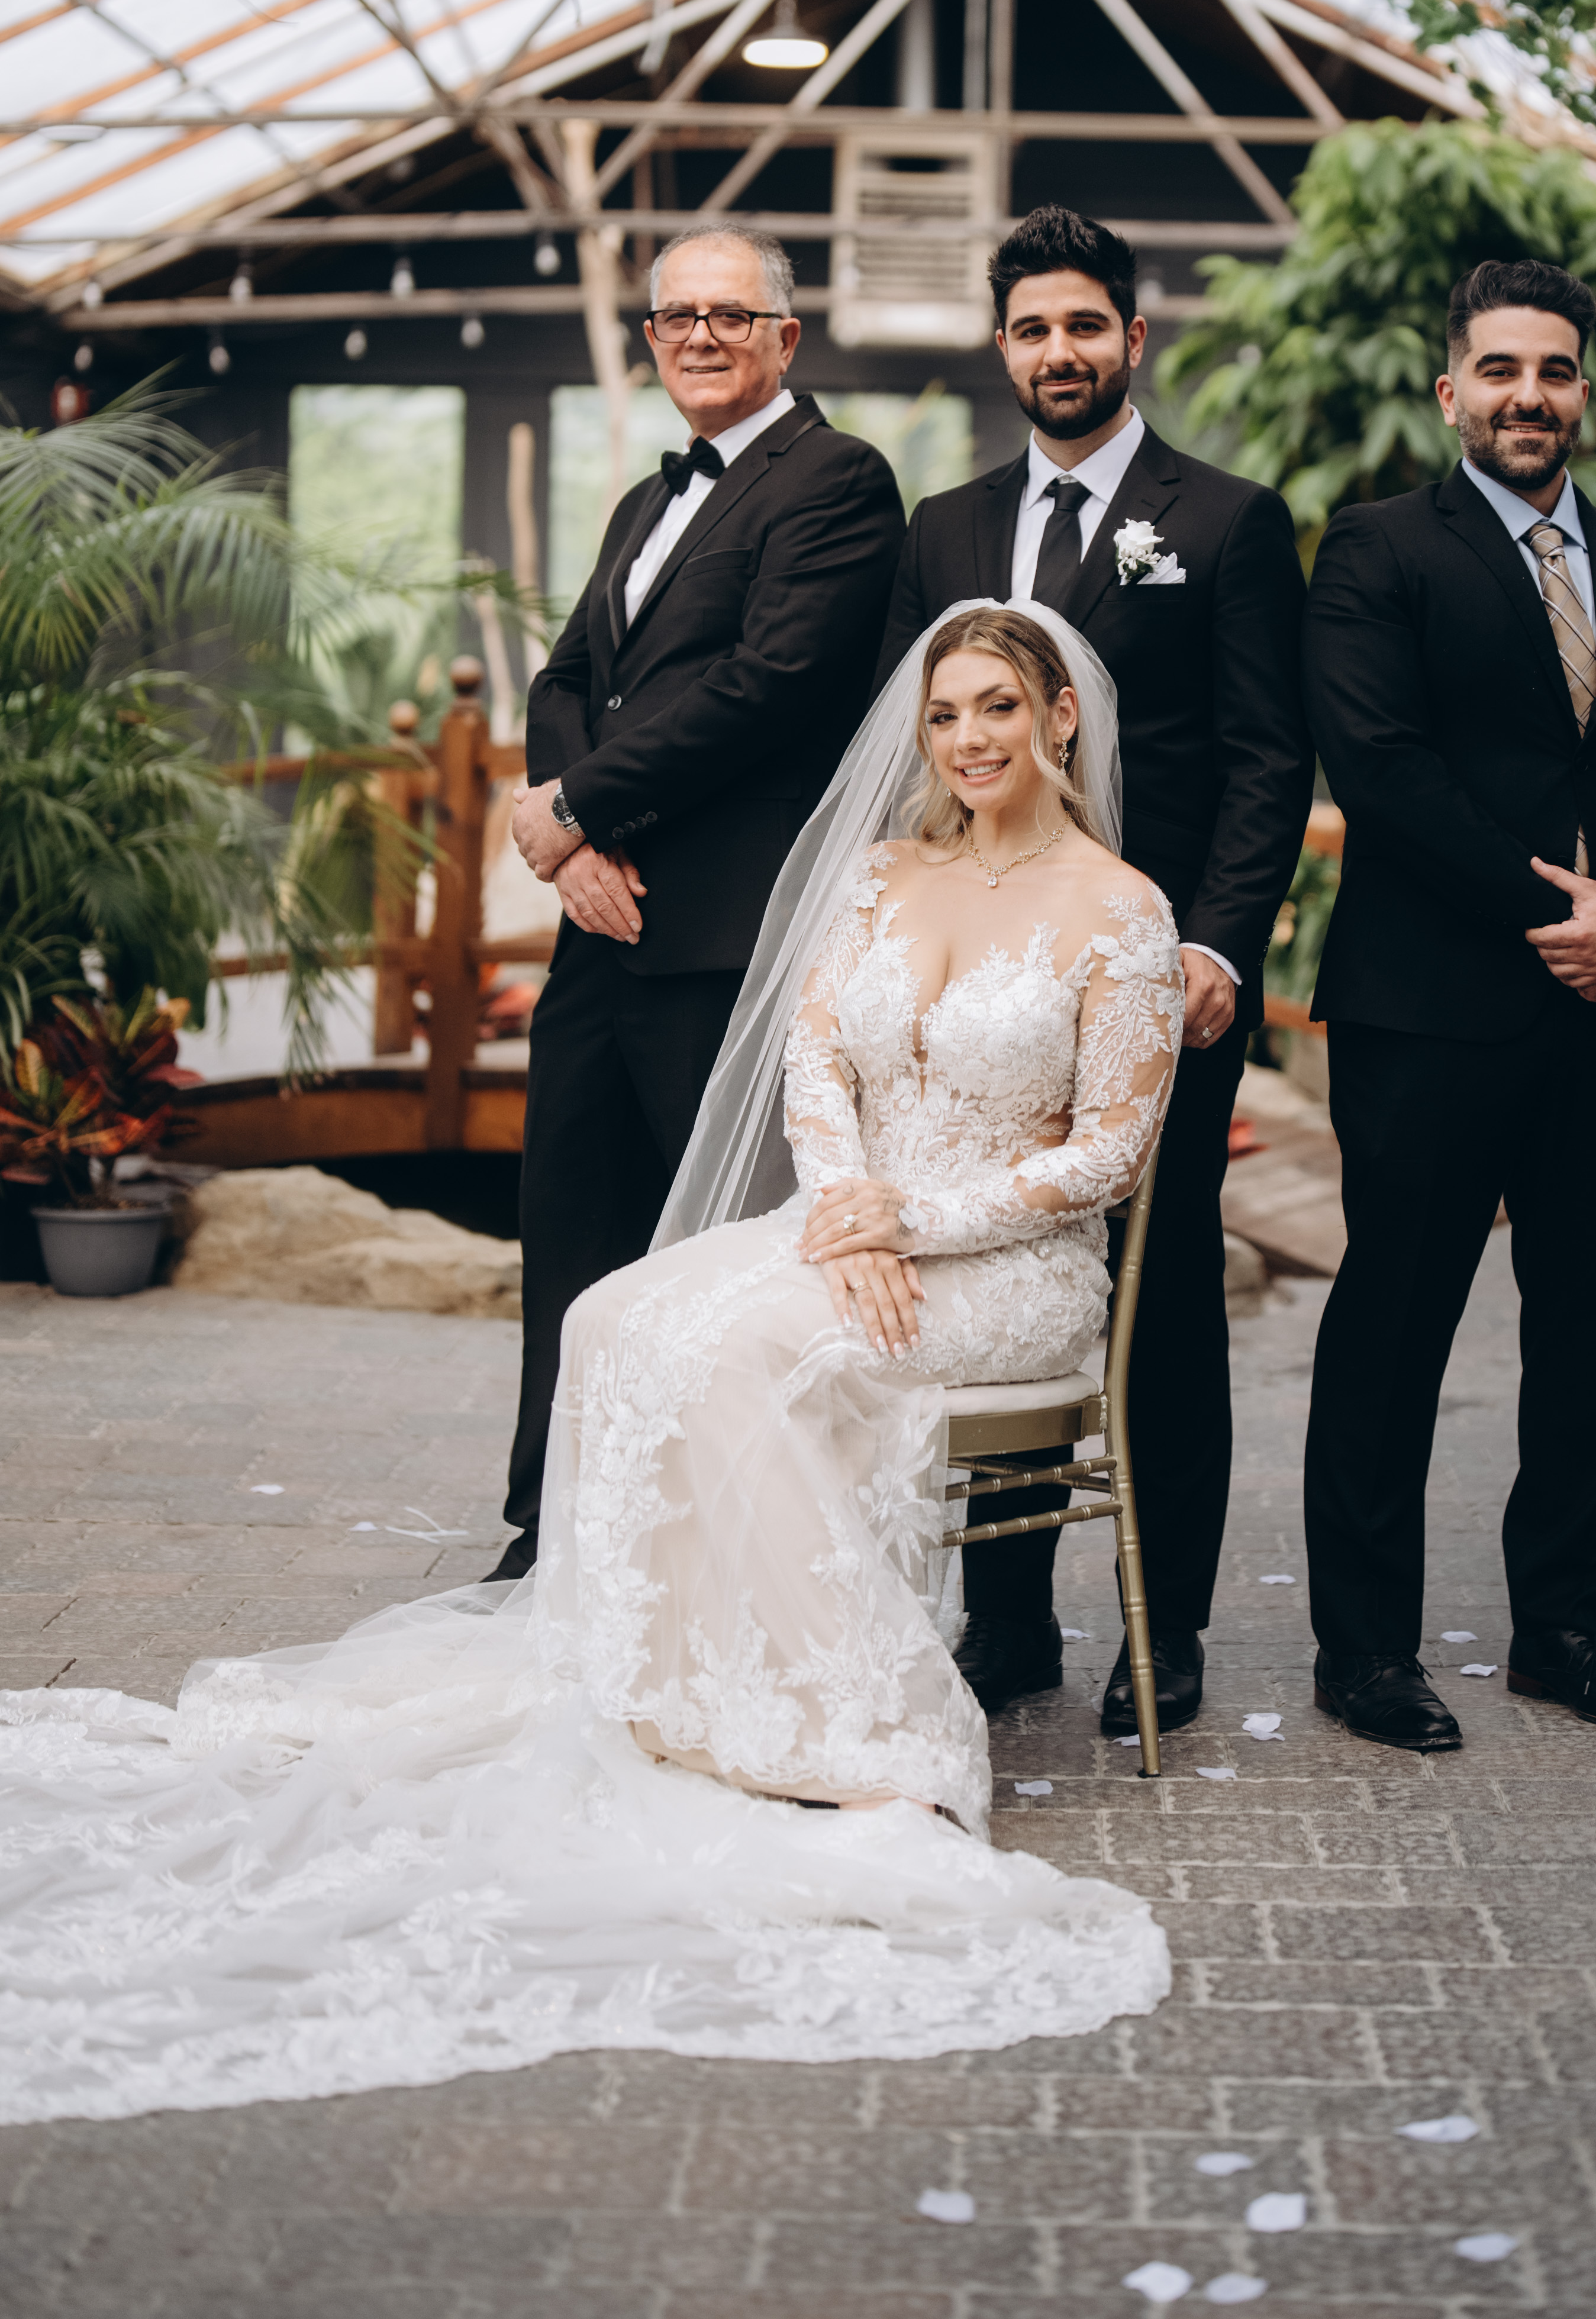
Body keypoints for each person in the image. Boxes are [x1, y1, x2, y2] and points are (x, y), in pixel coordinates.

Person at [0, 604, 1175, 2124]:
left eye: (997, 709)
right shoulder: (885, 872)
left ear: (1060, 718)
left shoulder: (1121, 910)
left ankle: (852, 1729)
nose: (967, 740)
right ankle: (674, 1686)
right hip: (850, 1230)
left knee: (741, 1352)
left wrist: (920, 1218)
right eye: (945, 714)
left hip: (1007, 1269)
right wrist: (847, 1207)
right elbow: (817, 1063)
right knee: (613, 1319)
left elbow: (1112, 1152)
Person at [1301, 257, 1596, 1753]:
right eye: (1500, 369)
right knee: (1394, 1328)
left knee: (1589, 1333)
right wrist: (1562, 914)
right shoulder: (1377, 550)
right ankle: (1366, 1652)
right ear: (1451, 393)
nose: (1528, 395)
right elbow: (1383, 768)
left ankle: (1565, 1632)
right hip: (1432, 1011)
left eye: (1554, 370)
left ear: (1584, 394)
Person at [879, 204, 1311, 1740]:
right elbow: (915, 759)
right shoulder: (943, 528)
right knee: (1001, 1278)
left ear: (1134, 336)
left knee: (1163, 1296)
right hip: (991, 995)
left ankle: (1160, 1628)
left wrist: (1217, 942)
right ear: (1001, 348)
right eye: (1030, 329)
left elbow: (1268, 757)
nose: (1057, 352)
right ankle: (1009, 1622)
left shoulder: (1231, 521)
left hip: (1156, 986)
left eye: (1082, 325)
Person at [492, 222, 905, 1579]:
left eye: (731, 315)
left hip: (727, 935)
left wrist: (576, 805)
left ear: (787, 336)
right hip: (601, 927)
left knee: (715, 1260)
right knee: (571, 1235)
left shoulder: (839, 480)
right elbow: (568, 679)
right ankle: (555, 1530)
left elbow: (769, 687)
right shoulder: (643, 501)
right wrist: (575, 845)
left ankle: (714, 1543)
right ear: (652, 337)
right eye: (678, 317)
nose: (702, 337)